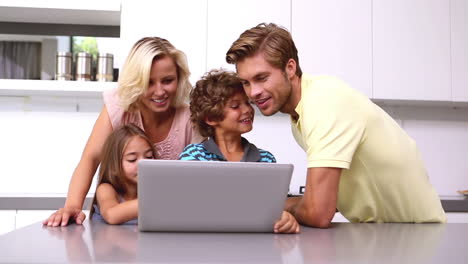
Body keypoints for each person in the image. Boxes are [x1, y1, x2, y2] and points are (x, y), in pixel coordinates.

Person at [225, 23, 446, 228]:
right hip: (382, 235)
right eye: (246, 82)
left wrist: (279, 205)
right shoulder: (300, 117)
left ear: (290, 68)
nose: (253, 92)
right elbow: (335, 198)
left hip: (419, 236)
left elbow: (318, 213)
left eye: (262, 78)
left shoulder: (324, 102)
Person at [44, 37, 203, 227]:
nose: (159, 91)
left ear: (179, 78)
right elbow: (91, 158)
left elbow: (200, 176)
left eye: (168, 80)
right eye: (148, 83)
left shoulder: (190, 118)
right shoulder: (120, 107)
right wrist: (72, 206)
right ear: (136, 82)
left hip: (168, 224)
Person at [179, 69, 300, 234]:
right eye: (235, 106)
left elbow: (275, 209)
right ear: (211, 118)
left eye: (248, 102)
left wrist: (285, 217)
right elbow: (189, 207)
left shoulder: (266, 159)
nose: (248, 110)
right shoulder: (193, 156)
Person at [89, 124, 154, 225]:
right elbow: (111, 215)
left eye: (149, 157)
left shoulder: (152, 190)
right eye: (132, 160)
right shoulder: (106, 189)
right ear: (114, 166)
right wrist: (157, 203)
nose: (143, 164)